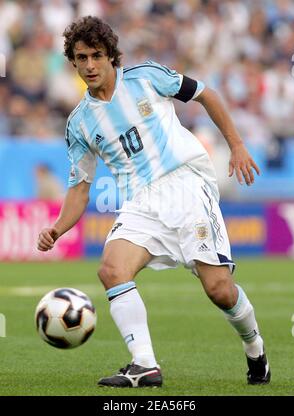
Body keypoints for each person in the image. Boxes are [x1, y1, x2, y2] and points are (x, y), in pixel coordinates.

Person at [37, 16, 270, 388]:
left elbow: (206, 93)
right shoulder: (79, 123)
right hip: (140, 203)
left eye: (97, 55)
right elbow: (80, 186)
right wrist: (58, 228)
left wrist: (237, 146)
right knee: (112, 270)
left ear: (111, 56)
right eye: (81, 58)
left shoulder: (146, 76)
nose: (90, 65)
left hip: (185, 184)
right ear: (73, 62)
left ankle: (255, 347)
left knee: (219, 290)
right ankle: (144, 364)